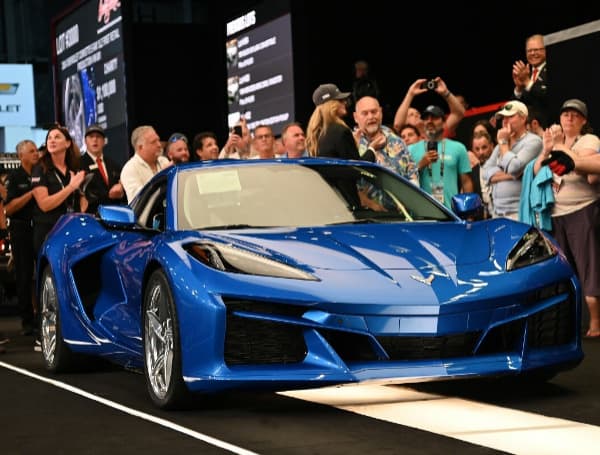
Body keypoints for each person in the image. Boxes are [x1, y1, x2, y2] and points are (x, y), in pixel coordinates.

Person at [531, 99, 600, 338]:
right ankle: (569, 324)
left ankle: (595, 323)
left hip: (581, 209)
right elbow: (538, 172)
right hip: (556, 214)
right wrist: (546, 150)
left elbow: (581, 167)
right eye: (565, 114)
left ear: (583, 120)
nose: (569, 118)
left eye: (574, 115)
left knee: (588, 266)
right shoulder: (556, 143)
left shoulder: (588, 140)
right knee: (564, 270)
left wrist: (559, 146)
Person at [31, 125, 87, 350]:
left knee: (70, 280)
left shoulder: (74, 167)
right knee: (48, 281)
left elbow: (81, 196)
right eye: (49, 137)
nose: (52, 140)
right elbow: (44, 205)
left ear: (67, 143)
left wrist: (80, 200)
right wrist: (71, 187)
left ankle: (72, 331)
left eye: (57, 137)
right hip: (47, 231)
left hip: (70, 231)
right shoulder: (40, 169)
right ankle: (42, 333)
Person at [482, 101, 541, 220]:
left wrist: (503, 143)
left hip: (521, 213)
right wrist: (514, 175)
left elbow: (514, 167)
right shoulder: (500, 146)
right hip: (497, 213)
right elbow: (485, 172)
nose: (505, 121)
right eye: (504, 117)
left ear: (523, 118)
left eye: (510, 117)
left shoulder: (534, 141)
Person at [5, 139, 40, 337]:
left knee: (41, 274)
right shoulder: (15, 177)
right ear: (21, 156)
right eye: (32, 151)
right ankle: (27, 320)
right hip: (21, 231)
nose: (36, 154)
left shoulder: (41, 174)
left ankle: (41, 316)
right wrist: (31, 195)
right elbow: (8, 208)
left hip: (39, 229)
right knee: (24, 276)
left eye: (36, 150)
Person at [408, 105, 473, 209]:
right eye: (426, 118)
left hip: (450, 213)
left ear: (444, 122)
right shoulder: (410, 150)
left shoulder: (458, 148)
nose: (429, 121)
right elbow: (403, 179)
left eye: (434, 117)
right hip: (420, 215)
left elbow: (466, 182)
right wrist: (420, 165)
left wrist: (469, 211)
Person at [353, 96, 418, 185]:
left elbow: (412, 172)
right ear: (356, 117)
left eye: (374, 112)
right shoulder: (351, 142)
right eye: (365, 113)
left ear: (381, 112)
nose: (371, 116)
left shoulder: (397, 141)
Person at [393, 77, 465, 139]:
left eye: (418, 113)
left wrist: (445, 92)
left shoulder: (437, 133)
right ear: (405, 123)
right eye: (411, 115)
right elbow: (397, 126)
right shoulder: (405, 139)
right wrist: (410, 94)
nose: (416, 115)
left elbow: (458, 113)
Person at [306, 83, 360, 160]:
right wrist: (372, 149)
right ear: (331, 104)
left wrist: (354, 144)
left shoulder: (314, 135)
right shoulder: (341, 131)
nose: (345, 102)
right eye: (340, 100)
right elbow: (356, 167)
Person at [80, 124, 125, 214]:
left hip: (114, 214)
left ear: (104, 141)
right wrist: (108, 195)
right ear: (85, 141)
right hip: (92, 215)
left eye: (98, 137)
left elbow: (122, 185)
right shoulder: (79, 164)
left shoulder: (113, 164)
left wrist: (121, 188)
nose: (95, 140)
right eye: (91, 136)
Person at [120, 125, 171, 203]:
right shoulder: (129, 169)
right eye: (153, 142)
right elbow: (139, 200)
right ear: (140, 147)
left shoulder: (163, 161)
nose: (159, 145)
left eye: (158, 140)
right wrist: (160, 177)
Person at [512, 34, 549, 128]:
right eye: (529, 51)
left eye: (536, 50)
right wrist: (519, 89)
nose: (532, 53)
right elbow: (516, 108)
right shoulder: (526, 73)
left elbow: (548, 96)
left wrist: (528, 82)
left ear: (545, 49)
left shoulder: (553, 69)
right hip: (528, 129)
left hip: (548, 126)